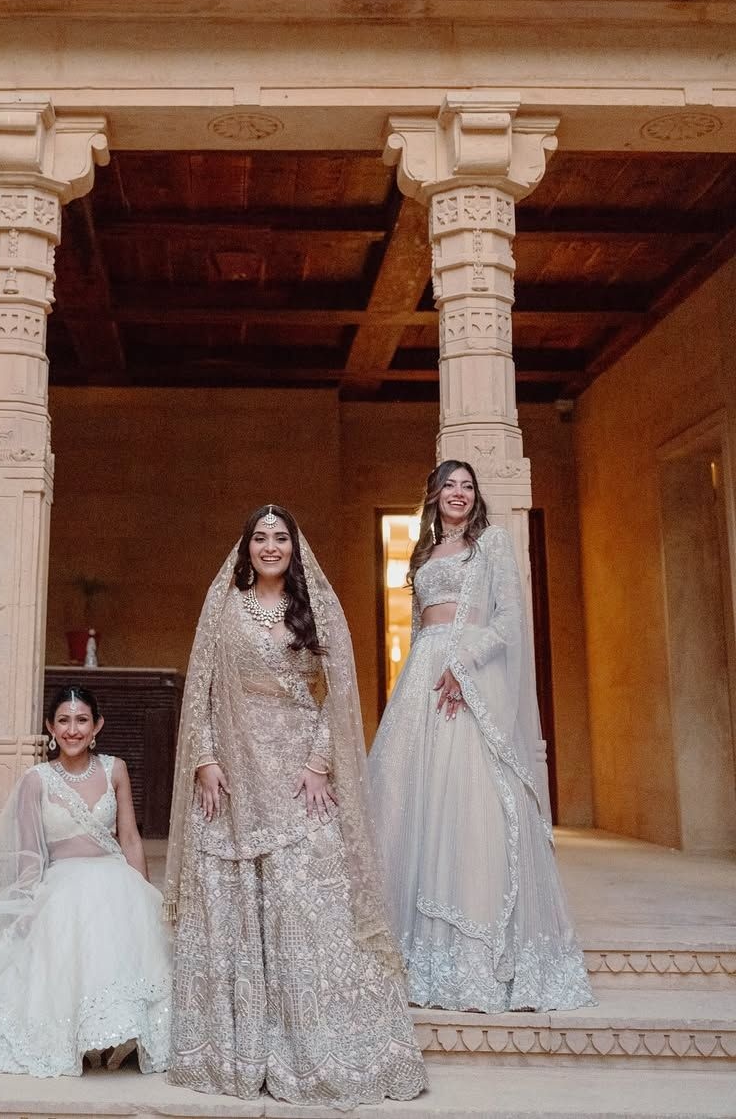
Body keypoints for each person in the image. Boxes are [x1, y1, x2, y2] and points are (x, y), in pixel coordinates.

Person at [165, 505, 426, 1108]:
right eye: (259, 537)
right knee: (235, 899)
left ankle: (323, 1049)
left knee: (311, 902)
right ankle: (237, 1049)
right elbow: (201, 686)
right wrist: (205, 758)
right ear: (246, 548)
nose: (270, 546)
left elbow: (338, 696)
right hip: (231, 776)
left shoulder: (314, 610)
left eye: (280, 537)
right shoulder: (224, 607)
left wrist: (318, 763)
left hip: (297, 774)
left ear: (294, 548)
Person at [367, 460, 595, 1013]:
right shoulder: (421, 553)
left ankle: (480, 954)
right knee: (407, 805)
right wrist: (429, 666)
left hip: (468, 678)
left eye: (468, 486)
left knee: (473, 806)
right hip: (421, 675)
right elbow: (424, 623)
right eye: (450, 484)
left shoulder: (490, 545)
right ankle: (410, 952)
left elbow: (510, 623)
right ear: (434, 493)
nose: (460, 493)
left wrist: (464, 666)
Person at [0, 684, 172, 1077]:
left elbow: (130, 838)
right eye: (64, 721)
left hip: (114, 877)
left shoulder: (114, 768)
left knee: (120, 906)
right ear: (50, 727)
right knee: (74, 907)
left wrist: (145, 893)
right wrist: (26, 905)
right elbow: (29, 854)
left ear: (97, 725)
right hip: (63, 882)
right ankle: (80, 1035)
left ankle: (124, 1031)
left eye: (82, 720)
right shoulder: (36, 779)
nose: (73, 730)